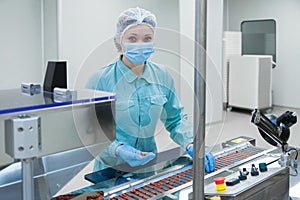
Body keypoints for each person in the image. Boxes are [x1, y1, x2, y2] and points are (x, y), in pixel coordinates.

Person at [86, 7, 215, 174]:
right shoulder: (100, 79)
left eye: (147, 38)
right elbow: (91, 130)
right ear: (119, 40)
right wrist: (118, 149)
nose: (140, 45)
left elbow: (175, 119)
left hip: (147, 166)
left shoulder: (162, 76)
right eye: (132, 38)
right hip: (109, 168)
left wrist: (192, 144)